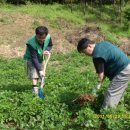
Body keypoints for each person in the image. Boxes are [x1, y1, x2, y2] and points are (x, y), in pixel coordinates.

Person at [77, 38, 130, 108]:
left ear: (89, 46)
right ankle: (119, 106)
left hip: (122, 70)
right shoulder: (103, 44)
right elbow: (104, 72)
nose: (85, 54)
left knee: (111, 93)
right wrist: (99, 84)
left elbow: (101, 76)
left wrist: (96, 88)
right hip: (127, 65)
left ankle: (106, 114)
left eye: (84, 52)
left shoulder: (97, 56)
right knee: (118, 89)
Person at [24, 26, 53, 94]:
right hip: (31, 58)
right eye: (39, 38)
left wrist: (47, 50)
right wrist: (39, 70)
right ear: (36, 35)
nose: (41, 40)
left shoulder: (48, 37)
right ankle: (34, 89)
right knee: (35, 73)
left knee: (42, 75)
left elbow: (50, 45)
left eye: (43, 38)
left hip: (41, 57)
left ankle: (41, 88)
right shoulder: (31, 43)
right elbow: (34, 58)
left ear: (46, 36)